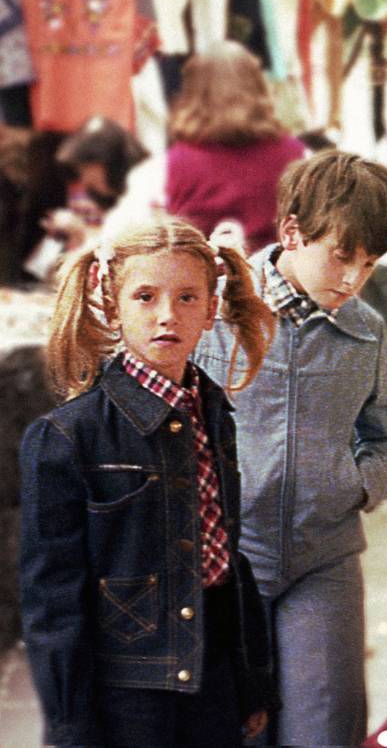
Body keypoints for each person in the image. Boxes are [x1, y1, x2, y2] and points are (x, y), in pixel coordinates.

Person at [19, 219, 276, 747]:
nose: (167, 316)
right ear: (111, 307)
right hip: (127, 693)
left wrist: (250, 682)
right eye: (145, 296)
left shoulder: (213, 413)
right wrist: (72, 726)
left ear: (210, 310)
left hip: (212, 675)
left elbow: (226, 561)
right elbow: (54, 602)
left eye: (186, 298)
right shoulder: (67, 437)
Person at [193, 151, 387, 747]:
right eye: (342, 255)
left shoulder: (366, 331)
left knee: (327, 728)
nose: (352, 278)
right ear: (292, 231)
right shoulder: (215, 311)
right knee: (239, 726)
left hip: (324, 559)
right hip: (226, 561)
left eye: (369, 264)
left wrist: (357, 485)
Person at [165, 41, 306, 255]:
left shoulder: (172, 163)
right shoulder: (296, 155)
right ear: (259, 87)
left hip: (203, 281)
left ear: (193, 94)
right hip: (273, 278)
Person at [1, 117, 148, 283]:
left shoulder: (143, 189)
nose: (84, 180)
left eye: (83, 169)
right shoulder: (129, 195)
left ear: (102, 163)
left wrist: (80, 230)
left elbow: (121, 254)